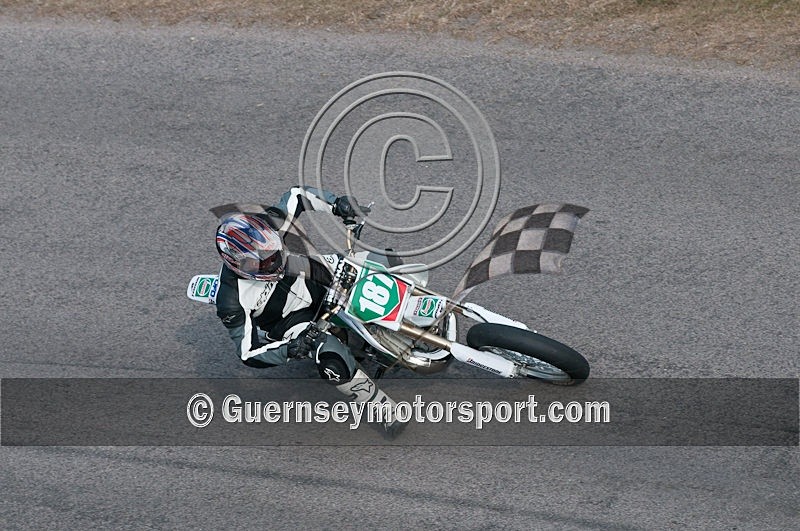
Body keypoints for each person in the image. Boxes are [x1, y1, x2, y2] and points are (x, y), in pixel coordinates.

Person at [214, 186, 406, 436]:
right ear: (236, 264)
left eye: (273, 253)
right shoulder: (230, 300)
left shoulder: (270, 225)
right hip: (295, 321)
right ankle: (381, 408)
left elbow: (297, 195)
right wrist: (290, 348)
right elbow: (247, 353)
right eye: (262, 262)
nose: (273, 263)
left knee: (389, 261)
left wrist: (337, 204)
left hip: (318, 275)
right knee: (332, 360)